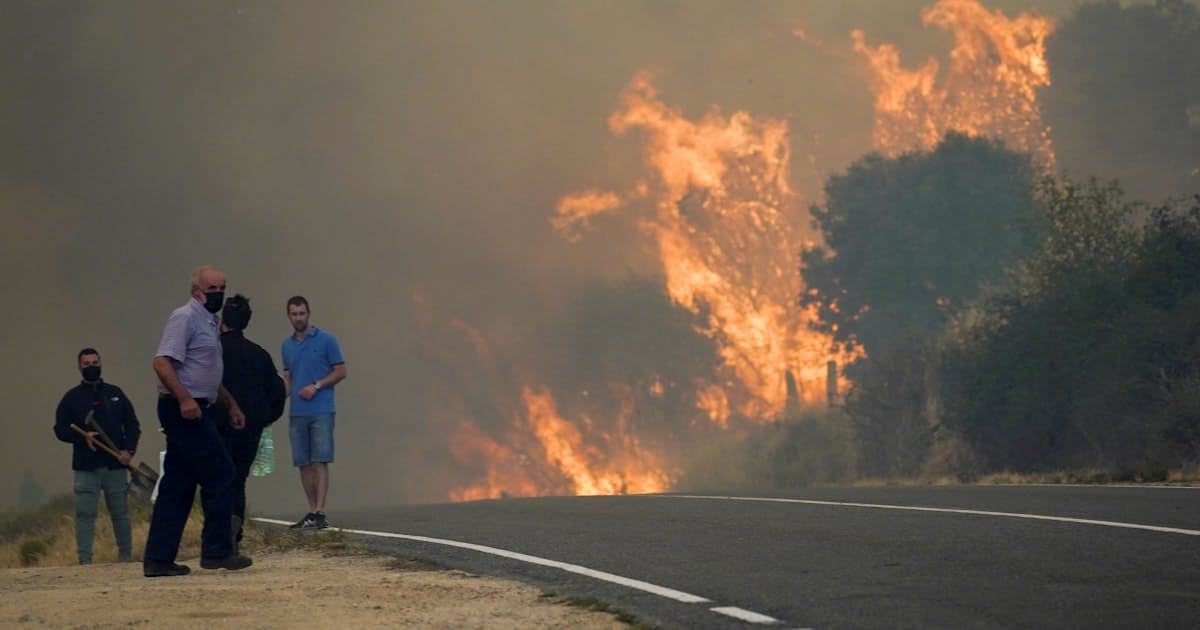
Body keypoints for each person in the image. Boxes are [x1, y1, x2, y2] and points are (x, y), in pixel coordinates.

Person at [143, 265, 252, 577]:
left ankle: (158, 559)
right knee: (222, 473)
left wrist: (230, 404)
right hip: (184, 411)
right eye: (213, 289)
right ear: (196, 291)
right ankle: (217, 551)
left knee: (177, 484)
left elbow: (205, 372)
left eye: (223, 288)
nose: (219, 294)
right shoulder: (185, 317)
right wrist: (185, 399)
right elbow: (162, 362)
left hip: (198, 405)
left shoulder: (209, 321)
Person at [53, 348, 141, 564]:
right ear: (79, 367)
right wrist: (83, 438)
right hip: (86, 468)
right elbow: (60, 429)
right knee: (85, 515)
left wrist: (128, 451)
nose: (91, 366)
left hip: (115, 465)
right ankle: (85, 561)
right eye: (87, 364)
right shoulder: (71, 398)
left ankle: (125, 557)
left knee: (120, 513)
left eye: (95, 362)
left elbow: (132, 425)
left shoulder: (116, 393)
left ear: (101, 363)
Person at [213, 294, 285, 552]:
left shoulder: (212, 351)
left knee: (216, 482)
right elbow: (277, 394)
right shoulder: (260, 355)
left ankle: (218, 539)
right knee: (238, 481)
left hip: (216, 430)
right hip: (250, 433)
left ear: (223, 319)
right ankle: (233, 535)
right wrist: (263, 420)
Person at [281, 295, 346, 530]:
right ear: (289, 316)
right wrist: (275, 401)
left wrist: (317, 385)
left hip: (321, 409)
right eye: (294, 314)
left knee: (320, 460)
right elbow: (289, 378)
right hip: (297, 412)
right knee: (303, 462)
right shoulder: (286, 346)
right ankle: (311, 510)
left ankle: (320, 510)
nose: (298, 318)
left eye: (302, 313)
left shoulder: (327, 340)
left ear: (309, 313)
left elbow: (340, 371)